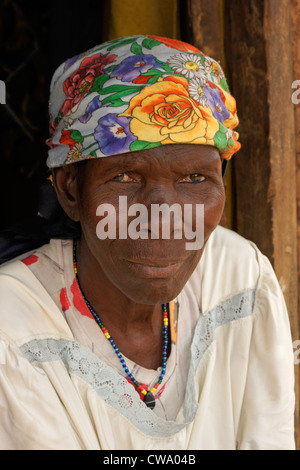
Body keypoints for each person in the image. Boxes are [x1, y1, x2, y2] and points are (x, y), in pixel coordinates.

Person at [0, 35, 295, 450]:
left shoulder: (241, 278)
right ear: (70, 191)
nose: (163, 217)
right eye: (124, 178)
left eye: (195, 179)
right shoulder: (11, 329)